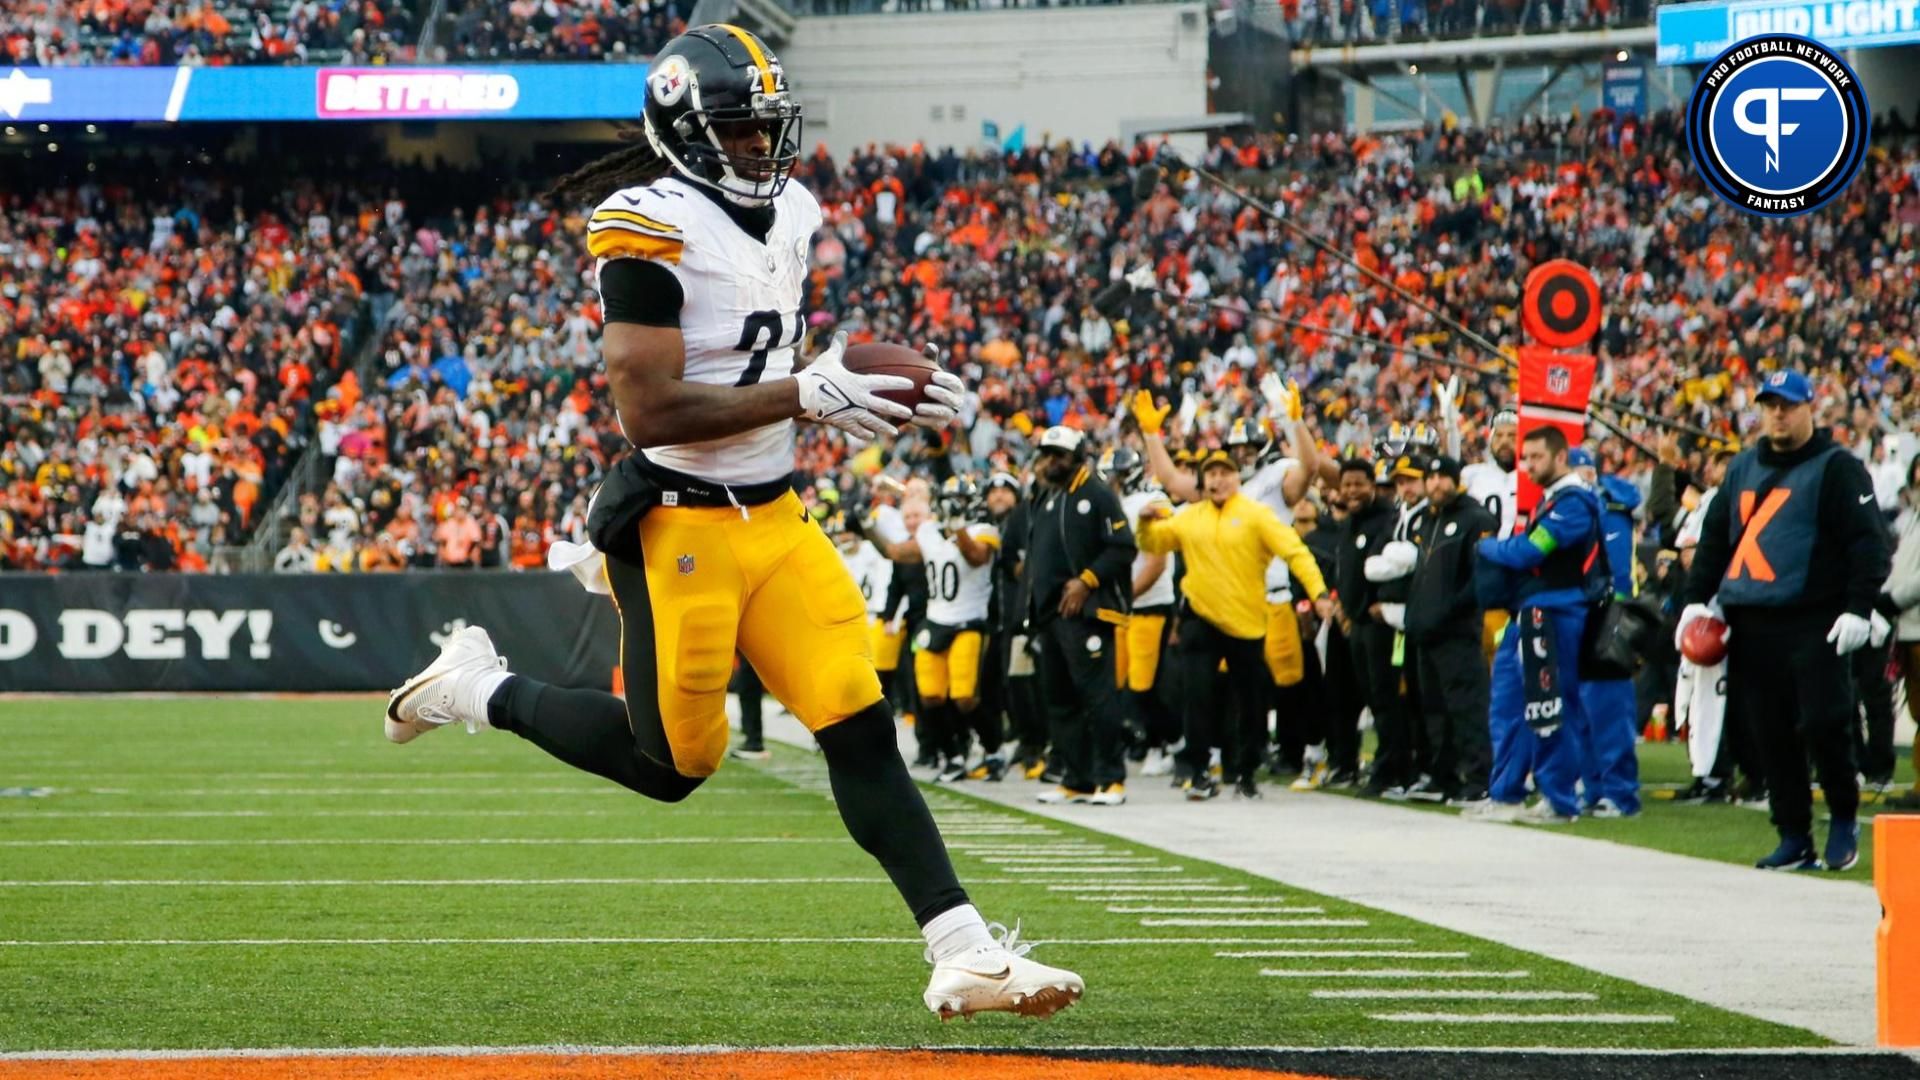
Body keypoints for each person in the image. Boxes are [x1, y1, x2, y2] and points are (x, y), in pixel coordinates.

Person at [381, 25, 1080, 1020]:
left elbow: (771, 360)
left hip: (779, 515)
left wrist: (860, 382)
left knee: (859, 723)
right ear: (685, 131)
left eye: (766, 128)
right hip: (681, 525)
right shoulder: (645, 223)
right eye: (740, 130)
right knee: (674, 766)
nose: (761, 148)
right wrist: (812, 391)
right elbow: (650, 410)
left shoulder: (795, 206)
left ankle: (962, 947)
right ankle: (477, 686)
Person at [1679, 370, 1891, 872]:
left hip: (1814, 615)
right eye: (1770, 404)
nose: (1778, 413)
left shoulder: (1838, 467)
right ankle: (1793, 832)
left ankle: (1843, 812)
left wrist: (1859, 607)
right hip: (1752, 619)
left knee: (1824, 720)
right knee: (1769, 733)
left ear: (1808, 408)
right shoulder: (1743, 467)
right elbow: (1714, 539)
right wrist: (1695, 599)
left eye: (1788, 404)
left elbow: (1868, 542)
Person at [1137, 450, 1330, 800]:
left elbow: (1295, 552)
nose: (1217, 480)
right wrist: (1145, 523)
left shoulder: (1257, 515)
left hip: (1246, 621)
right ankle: (1198, 772)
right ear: (1202, 481)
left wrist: (1317, 591)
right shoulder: (1190, 517)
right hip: (1200, 616)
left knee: (1250, 700)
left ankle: (1245, 772)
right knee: (1196, 697)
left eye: (1224, 473)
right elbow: (1155, 543)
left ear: (1237, 478)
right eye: (1210, 474)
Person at [1470, 426, 1609, 825]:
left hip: (1555, 613)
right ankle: (1506, 794)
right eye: (1525, 458)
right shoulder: (1552, 501)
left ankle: (1560, 800)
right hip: (1528, 613)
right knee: (1508, 701)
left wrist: (1486, 545)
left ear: (1560, 457)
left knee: (1549, 706)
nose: (1528, 466)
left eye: (1536, 458)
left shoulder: (1574, 503)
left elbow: (1532, 549)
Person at [1020, 425, 1137, 806]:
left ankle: (1111, 778)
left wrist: (1086, 581)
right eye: (1047, 454)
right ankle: (1077, 777)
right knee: (1060, 699)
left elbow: (1123, 547)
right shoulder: (1047, 496)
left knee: (1098, 697)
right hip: (1052, 615)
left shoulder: (1096, 493)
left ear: (1079, 457)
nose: (1052, 461)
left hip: (1087, 611)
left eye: (1060, 455)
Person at [1403, 454, 1496, 803]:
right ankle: (1443, 779)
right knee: (1435, 711)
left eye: (1443, 477)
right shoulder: (1427, 521)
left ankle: (1478, 781)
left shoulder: (1475, 518)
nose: (1435, 484)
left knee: (1467, 708)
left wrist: (1447, 612)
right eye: (1430, 477)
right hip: (1426, 632)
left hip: (1457, 632)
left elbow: (1479, 579)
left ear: (1457, 480)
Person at [912, 475, 1004, 783]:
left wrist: (958, 525)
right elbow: (898, 553)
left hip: (969, 621)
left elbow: (976, 557)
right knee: (930, 696)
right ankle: (952, 756)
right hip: (936, 621)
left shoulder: (984, 530)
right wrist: (869, 530)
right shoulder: (929, 532)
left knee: (964, 696)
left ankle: (993, 750)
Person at [1567, 446, 1642, 818]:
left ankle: (1621, 793)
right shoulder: (1571, 509)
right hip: (1580, 611)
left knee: (1610, 710)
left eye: (1585, 471)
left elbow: (1633, 497)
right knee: (1581, 708)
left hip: (1612, 614)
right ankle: (1593, 787)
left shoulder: (1612, 505)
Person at [1098, 446, 1179, 777]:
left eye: (1113, 477)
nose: (1109, 484)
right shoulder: (1113, 505)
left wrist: (1125, 594)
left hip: (1150, 604)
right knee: (1116, 681)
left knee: (1144, 683)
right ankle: (1141, 740)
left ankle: (1164, 742)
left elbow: (1157, 562)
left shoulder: (1154, 501)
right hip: (1123, 604)